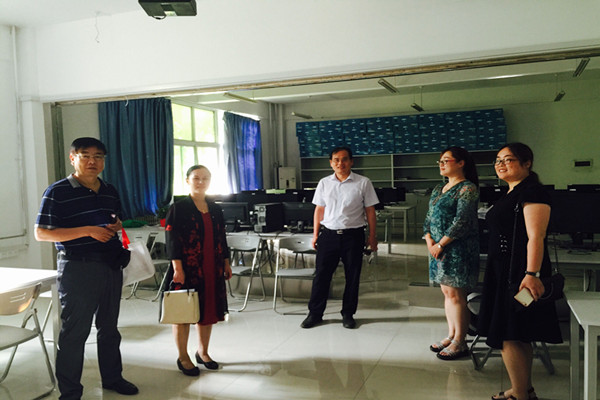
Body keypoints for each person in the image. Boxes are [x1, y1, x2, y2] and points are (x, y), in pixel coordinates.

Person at [35, 137, 138, 399]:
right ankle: (70, 392)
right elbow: (41, 233)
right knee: (74, 332)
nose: (92, 161)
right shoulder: (57, 191)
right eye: (85, 156)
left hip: (110, 265)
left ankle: (113, 378)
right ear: (73, 158)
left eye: (98, 156)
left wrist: (116, 225)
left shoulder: (109, 190)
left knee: (109, 327)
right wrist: (88, 231)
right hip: (78, 268)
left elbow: (115, 219)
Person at [478, 143, 562, 400]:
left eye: (508, 159)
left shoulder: (532, 191)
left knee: (509, 334)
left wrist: (531, 275)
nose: (501, 164)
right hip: (503, 273)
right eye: (497, 160)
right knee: (518, 333)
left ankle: (519, 395)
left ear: (527, 163)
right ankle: (524, 389)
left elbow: (536, 236)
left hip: (519, 276)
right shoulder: (512, 192)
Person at [301, 146, 379, 330]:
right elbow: (319, 209)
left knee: (352, 276)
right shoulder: (324, 183)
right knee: (321, 276)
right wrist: (315, 234)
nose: (340, 163)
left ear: (351, 162)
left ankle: (348, 314)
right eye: (336, 160)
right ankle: (315, 313)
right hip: (328, 235)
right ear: (331, 163)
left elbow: (370, 211)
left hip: (353, 236)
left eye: (344, 159)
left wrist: (372, 236)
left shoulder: (363, 182)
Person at [165, 165, 232, 376]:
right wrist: (177, 268)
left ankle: (203, 352)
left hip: (212, 266)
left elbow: (221, 237)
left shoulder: (215, 208)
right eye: (196, 178)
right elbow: (172, 240)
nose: (201, 182)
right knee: (183, 312)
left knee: (208, 310)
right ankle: (183, 356)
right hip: (187, 268)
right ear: (187, 181)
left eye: (205, 178)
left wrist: (226, 262)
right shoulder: (179, 208)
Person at [423, 146, 480, 360]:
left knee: (457, 295)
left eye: (446, 160)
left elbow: (462, 221)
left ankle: (460, 341)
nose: (441, 164)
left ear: (461, 163)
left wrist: (441, 244)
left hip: (457, 249)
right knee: (447, 293)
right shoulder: (439, 188)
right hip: (437, 249)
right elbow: (429, 217)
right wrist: (429, 240)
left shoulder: (467, 189)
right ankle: (451, 335)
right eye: (439, 161)